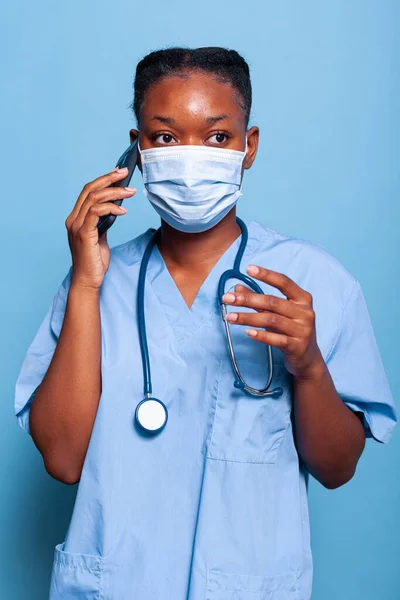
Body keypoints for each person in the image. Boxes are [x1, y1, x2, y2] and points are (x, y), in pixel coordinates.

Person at [14, 46, 397, 600]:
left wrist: (309, 368)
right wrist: (86, 283)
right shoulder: (95, 283)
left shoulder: (315, 281)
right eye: (165, 137)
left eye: (218, 137)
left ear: (250, 147)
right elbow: (63, 459)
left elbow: (338, 469)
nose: (191, 157)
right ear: (136, 149)